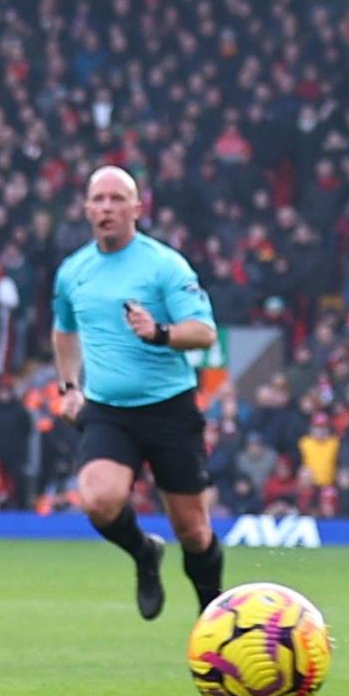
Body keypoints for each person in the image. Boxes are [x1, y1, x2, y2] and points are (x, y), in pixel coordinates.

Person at [49, 165, 222, 620]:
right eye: (98, 199)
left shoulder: (165, 265)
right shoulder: (73, 272)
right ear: (86, 208)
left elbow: (204, 332)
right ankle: (144, 553)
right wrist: (69, 386)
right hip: (108, 411)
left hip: (169, 409)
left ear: (137, 208)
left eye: (117, 199)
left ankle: (216, 621)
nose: (106, 207)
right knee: (98, 500)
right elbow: (64, 331)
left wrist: (160, 333)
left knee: (193, 530)